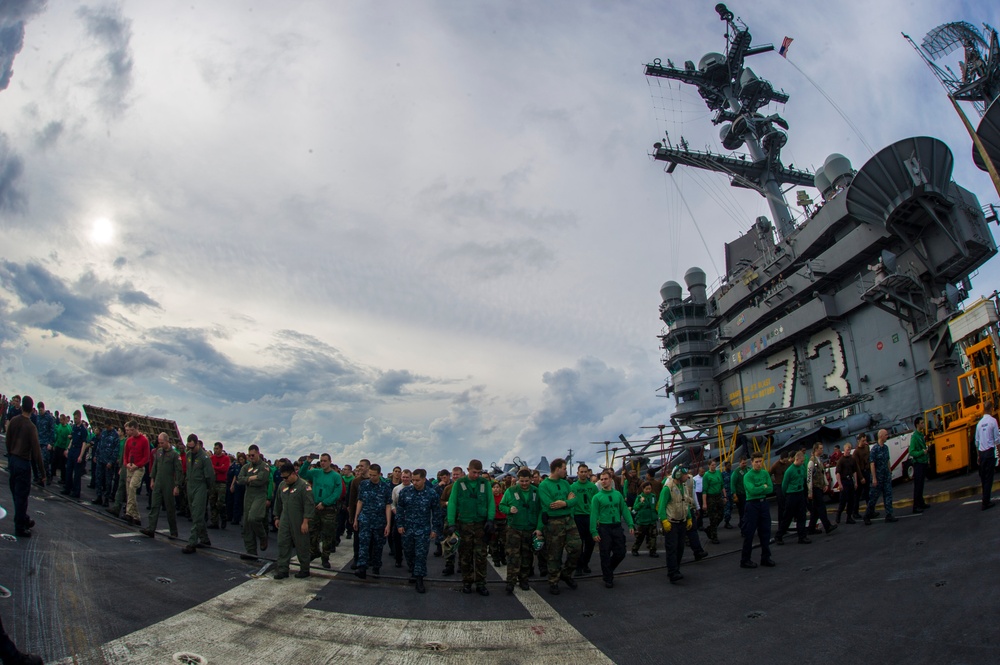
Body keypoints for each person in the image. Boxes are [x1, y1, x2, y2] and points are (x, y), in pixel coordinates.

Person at [446, 459, 493, 596]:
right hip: (464, 524)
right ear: (468, 470)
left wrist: (490, 519)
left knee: (481, 556)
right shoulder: (460, 484)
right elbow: (453, 503)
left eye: (479, 472)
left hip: (480, 525)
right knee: (465, 556)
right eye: (474, 472)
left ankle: (481, 583)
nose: (476, 475)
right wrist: (451, 523)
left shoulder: (485, 483)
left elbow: (490, 502)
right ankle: (467, 582)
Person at [537, 458, 581, 595]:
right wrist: (566, 502)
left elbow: (575, 500)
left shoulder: (565, 483)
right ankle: (553, 581)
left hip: (568, 521)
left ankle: (566, 573)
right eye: (564, 468)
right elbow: (550, 506)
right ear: (557, 469)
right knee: (554, 554)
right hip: (553, 523)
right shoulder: (544, 485)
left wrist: (565, 504)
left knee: (577, 547)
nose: (566, 471)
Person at [4, 395, 45, 537]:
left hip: (13, 460)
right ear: (32, 409)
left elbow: (8, 440)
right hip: (23, 462)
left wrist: (10, 456)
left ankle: (23, 518)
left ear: (22, 406)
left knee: (16, 494)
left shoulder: (14, 421)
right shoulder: (31, 427)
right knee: (22, 496)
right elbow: (37, 452)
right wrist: (42, 472)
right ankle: (20, 526)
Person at [396, 468, 442, 593]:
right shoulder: (405, 492)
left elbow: (436, 513)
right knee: (409, 553)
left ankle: (420, 578)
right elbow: (400, 509)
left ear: (424, 479)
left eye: (417, 480)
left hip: (423, 530)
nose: (415, 483)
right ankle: (413, 571)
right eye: (413, 480)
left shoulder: (431, 493)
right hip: (408, 529)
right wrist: (399, 524)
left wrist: (435, 529)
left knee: (421, 555)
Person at [499, 468, 541, 594]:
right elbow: (501, 505)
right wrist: (508, 510)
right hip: (514, 528)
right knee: (512, 556)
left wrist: (539, 528)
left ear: (531, 480)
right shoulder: (511, 491)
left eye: (526, 481)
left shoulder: (536, 492)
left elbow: (541, 511)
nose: (524, 483)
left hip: (529, 529)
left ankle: (524, 580)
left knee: (527, 556)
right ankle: (510, 581)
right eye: (521, 481)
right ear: (518, 480)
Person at [271, 463, 315, 579]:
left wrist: (305, 522)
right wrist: (277, 517)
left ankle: (305, 569)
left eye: (286, 477)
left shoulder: (304, 486)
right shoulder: (282, 485)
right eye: (283, 477)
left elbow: (309, 505)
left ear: (293, 473)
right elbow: (278, 502)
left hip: (299, 519)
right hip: (285, 518)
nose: (284, 480)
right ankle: (283, 569)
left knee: (302, 544)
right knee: (283, 543)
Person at [590, 469, 634, 588]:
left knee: (621, 552)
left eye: (606, 479)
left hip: (617, 527)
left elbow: (624, 510)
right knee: (605, 553)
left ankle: (608, 569)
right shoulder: (597, 497)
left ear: (611, 480)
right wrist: (593, 531)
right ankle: (608, 577)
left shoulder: (617, 494)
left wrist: (630, 524)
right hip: (604, 528)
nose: (603, 481)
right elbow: (593, 515)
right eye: (602, 479)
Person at [300, 453, 343, 569]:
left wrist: (325, 503)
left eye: (325, 461)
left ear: (330, 462)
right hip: (315, 507)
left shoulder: (335, 476)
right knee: (312, 532)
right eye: (321, 461)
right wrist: (307, 462)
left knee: (327, 535)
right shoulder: (316, 473)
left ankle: (325, 557)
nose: (323, 463)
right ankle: (314, 552)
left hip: (328, 509)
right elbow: (302, 474)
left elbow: (337, 492)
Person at [353, 463, 392, 579]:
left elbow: (388, 505)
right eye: (370, 475)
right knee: (363, 544)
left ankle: (376, 567)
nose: (371, 477)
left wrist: (388, 524)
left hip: (379, 521)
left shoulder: (385, 487)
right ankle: (362, 568)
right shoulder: (364, 485)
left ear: (379, 474)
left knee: (378, 545)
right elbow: (360, 501)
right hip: (365, 519)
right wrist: (356, 518)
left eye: (374, 475)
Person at [141, 432, 182, 538]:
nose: (160, 445)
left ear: (167, 441)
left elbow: (178, 471)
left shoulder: (174, 454)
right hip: (158, 481)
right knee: (154, 506)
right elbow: (155, 466)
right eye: (159, 443)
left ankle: (173, 531)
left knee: (170, 508)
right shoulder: (158, 452)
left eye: (162, 443)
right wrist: (152, 479)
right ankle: (151, 528)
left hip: (168, 483)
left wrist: (177, 485)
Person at [658, 465, 693, 583]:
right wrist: (664, 521)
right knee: (672, 548)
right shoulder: (668, 488)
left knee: (680, 548)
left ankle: (676, 569)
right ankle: (672, 572)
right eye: (684, 474)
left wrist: (689, 518)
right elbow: (661, 507)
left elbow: (686, 503)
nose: (687, 476)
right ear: (678, 474)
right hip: (671, 523)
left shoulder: (683, 486)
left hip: (682, 521)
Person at [740, 452, 775, 569]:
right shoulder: (747, 476)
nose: (759, 464)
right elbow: (752, 491)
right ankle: (745, 560)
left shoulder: (765, 473)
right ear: (752, 462)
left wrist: (760, 488)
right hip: (752, 505)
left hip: (763, 504)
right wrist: (762, 487)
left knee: (765, 531)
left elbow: (770, 488)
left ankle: (765, 557)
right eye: (756, 462)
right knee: (749, 533)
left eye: (760, 461)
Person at [182, 435, 215, 554]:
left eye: (192, 447)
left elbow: (210, 475)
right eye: (188, 447)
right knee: (195, 513)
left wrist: (209, 489)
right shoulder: (189, 454)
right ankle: (205, 539)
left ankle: (192, 542)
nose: (190, 450)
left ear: (197, 444)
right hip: (190, 485)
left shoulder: (205, 458)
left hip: (200, 486)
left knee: (197, 515)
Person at [237, 445, 271, 560]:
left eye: (253, 455)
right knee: (246, 523)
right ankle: (251, 552)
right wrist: (251, 478)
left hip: (259, 495)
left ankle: (263, 536)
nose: (251, 457)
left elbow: (262, 479)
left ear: (258, 453)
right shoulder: (246, 467)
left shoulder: (264, 466)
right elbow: (240, 480)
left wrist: (249, 480)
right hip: (248, 495)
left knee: (253, 518)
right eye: (249, 455)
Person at [774, 451, 811, 545]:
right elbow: (784, 485)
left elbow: (804, 478)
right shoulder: (789, 470)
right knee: (787, 517)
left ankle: (802, 536)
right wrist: (786, 495)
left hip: (800, 493)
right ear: (796, 459)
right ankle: (779, 536)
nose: (803, 463)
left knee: (801, 516)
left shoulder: (802, 468)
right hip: (791, 494)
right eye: (801, 461)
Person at [864, 429, 898, 525]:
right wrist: (874, 478)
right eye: (886, 435)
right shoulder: (875, 449)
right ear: (881, 436)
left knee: (888, 495)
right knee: (873, 498)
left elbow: (887, 460)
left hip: (886, 476)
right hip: (878, 477)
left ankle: (889, 515)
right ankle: (867, 515)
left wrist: (890, 472)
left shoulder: (886, 448)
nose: (887, 436)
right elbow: (872, 464)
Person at [569, 465, 598, 576]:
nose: (583, 474)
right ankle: (579, 565)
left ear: (588, 473)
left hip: (590, 516)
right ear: (578, 473)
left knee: (590, 543)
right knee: (579, 543)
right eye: (581, 471)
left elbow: (596, 503)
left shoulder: (593, 487)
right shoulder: (573, 487)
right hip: (578, 516)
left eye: (585, 472)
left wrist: (597, 517)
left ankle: (585, 563)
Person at [121, 421, 151, 526]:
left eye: (132, 430)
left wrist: (137, 465)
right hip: (130, 467)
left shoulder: (144, 440)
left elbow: (146, 457)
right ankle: (136, 516)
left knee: (133, 487)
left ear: (136, 428)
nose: (131, 432)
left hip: (138, 468)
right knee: (129, 491)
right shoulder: (129, 440)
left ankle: (129, 512)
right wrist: (126, 464)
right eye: (129, 430)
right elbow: (125, 455)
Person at [806, 443, 836, 535]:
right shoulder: (811, 462)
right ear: (816, 449)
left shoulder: (819, 460)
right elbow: (809, 477)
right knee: (821, 507)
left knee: (815, 510)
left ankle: (811, 528)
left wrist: (826, 483)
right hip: (815, 488)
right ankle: (827, 526)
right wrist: (810, 491)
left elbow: (822, 473)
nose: (822, 450)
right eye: (820, 448)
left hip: (819, 486)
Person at [63, 410, 90, 500]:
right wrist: (68, 449)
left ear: (80, 418)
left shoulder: (83, 430)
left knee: (77, 473)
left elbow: (84, 444)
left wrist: (80, 456)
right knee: (68, 470)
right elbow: (72, 439)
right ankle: (67, 488)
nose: (75, 420)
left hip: (78, 450)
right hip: (72, 449)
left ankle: (76, 491)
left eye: (76, 418)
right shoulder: (74, 427)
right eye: (74, 418)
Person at [975, 403, 998, 510]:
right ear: (991, 409)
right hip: (989, 452)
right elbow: (997, 439)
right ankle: (986, 501)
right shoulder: (993, 421)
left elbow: (977, 441)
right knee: (989, 478)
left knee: (984, 478)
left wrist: (978, 456)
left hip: (982, 453)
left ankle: (985, 498)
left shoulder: (979, 424)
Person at [630, 481, 659, 556]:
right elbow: (635, 507)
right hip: (642, 521)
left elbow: (656, 506)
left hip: (652, 520)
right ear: (643, 489)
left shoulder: (653, 496)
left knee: (653, 537)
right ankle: (635, 549)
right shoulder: (639, 497)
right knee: (640, 537)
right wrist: (641, 503)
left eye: (649, 489)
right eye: (646, 489)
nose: (648, 490)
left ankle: (653, 551)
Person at [908, 418, 930, 513]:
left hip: (923, 462)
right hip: (918, 464)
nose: (923, 424)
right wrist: (922, 452)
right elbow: (912, 451)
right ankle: (916, 506)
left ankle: (921, 502)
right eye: (921, 423)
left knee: (921, 484)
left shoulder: (921, 435)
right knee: (918, 485)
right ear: (917, 425)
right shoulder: (915, 437)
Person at [701, 459, 725, 544]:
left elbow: (722, 485)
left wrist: (724, 496)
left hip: (718, 496)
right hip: (711, 497)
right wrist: (704, 503)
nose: (714, 467)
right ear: (709, 466)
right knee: (713, 518)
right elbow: (704, 490)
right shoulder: (706, 475)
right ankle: (714, 537)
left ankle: (709, 529)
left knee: (721, 515)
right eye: (712, 465)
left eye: (715, 465)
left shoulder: (718, 473)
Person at [208, 442, 230, 529]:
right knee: (212, 502)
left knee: (220, 503)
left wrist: (215, 468)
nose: (215, 450)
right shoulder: (212, 458)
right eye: (214, 449)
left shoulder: (226, 458)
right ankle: (214, 522)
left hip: (222, 483)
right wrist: (217, 468)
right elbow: (210, 468)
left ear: (221, 449)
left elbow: (224, 469)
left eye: (217, 449)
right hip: (214, 482)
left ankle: (223, 517)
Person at [835, 443, 857, 524]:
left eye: (850, 449)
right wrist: (840, 484)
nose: (849, 451)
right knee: (843, 500)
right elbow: (838, 473)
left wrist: (855, 482)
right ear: (844, 450)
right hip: (844, 481)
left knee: (851, 500)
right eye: (848, 449)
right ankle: (838, 515)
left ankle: (849, 517)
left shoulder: (852, 459)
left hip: (850, 480)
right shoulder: (841, 460)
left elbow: (854, 471)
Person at [769, 450, 792, 528]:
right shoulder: (776, 465)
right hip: (779, 485)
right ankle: (781, 525)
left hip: (787, 485)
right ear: (783, 458)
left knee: (788, 505)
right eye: (786, 459)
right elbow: (769, 473)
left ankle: (788, 523)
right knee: (781, 506)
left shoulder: (789, 464)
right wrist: (773, 480)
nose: (786, 461)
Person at [852, 434, 870, 519]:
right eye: (863, 441)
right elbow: (857, 466)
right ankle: (855, 512)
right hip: (861, 472)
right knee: (858, 494)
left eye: (865, 440)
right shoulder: (856, 452)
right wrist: (861, 477)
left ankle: (870, 510)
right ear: (859, 441)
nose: (864, 442)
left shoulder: (867, 447)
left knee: (868, 493)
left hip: (867, 471)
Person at [730, 458, 749, 527]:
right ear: (739, 463)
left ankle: (743, 524)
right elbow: (733, 484)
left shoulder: (748, 470)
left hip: (747, 494)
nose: (744, 465)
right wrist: (734, 495)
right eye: (743, 463)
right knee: (742, 511)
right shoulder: (736, 472)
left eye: (745, 463)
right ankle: (742, 525)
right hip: (740, 494)